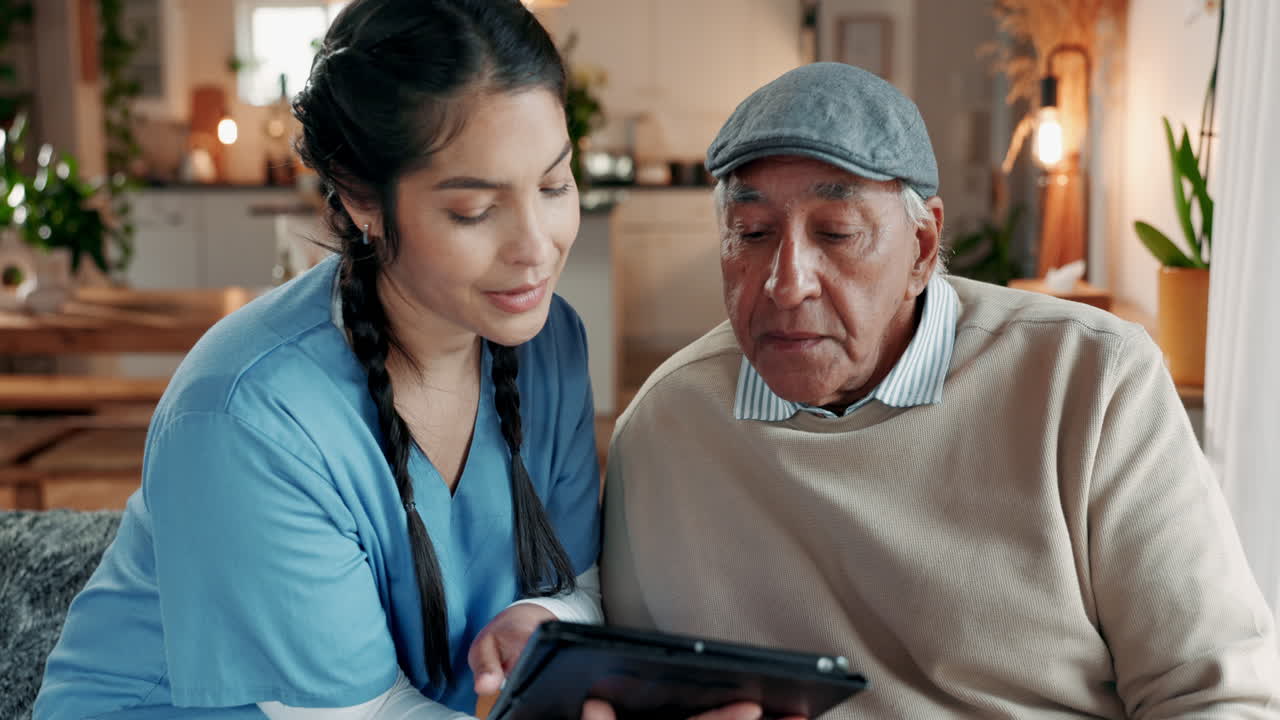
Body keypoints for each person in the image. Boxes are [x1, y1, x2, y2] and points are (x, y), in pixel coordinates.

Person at [597, 62, 1280, 719]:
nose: (787, 281)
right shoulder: (667, 425)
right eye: (751, 234)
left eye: (835, 234)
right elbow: (628, 685)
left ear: (923, 247)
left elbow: (1215, 693)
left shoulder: (1090, 381)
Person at [35, 1, 603, 718]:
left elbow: (577, 583)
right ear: (362, 196)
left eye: (555, 186)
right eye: (473, 210)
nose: (538, 246)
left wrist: (542, 620)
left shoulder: (550, 346)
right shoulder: (248, 416)